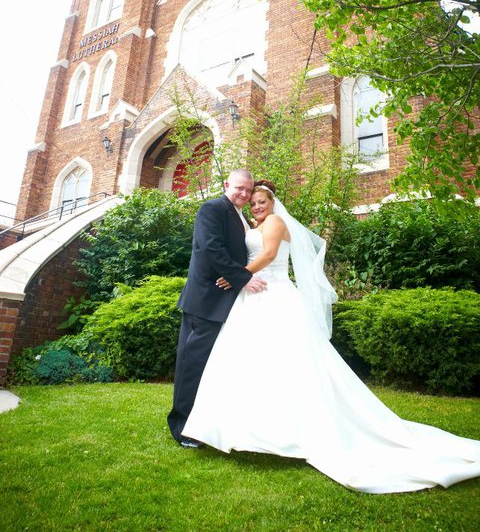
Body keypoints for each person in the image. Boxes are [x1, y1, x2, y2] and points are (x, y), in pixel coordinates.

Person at [182, 181, 480, 493]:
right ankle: (249, 429)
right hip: (254, 296)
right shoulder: (252, 223)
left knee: (288, 365)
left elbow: (269, 254)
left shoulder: (275, 222)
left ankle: (287, 430)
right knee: (254, 364)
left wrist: (237, 276)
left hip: (274, 295)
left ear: (272, 202)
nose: (256, 206)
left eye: (261, 201)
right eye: (252, 202)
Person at [167, 169, 267, 447]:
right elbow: (210, 249)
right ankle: (182, 427)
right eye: (240, 189)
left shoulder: (239, 216)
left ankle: (205, 422)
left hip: (225, 300)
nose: (245, 195)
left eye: (248, 191)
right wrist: (242, 277)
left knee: (212, 367)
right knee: (192, 364)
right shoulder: (212, 208)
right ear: (227, 185)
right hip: (205, 299)